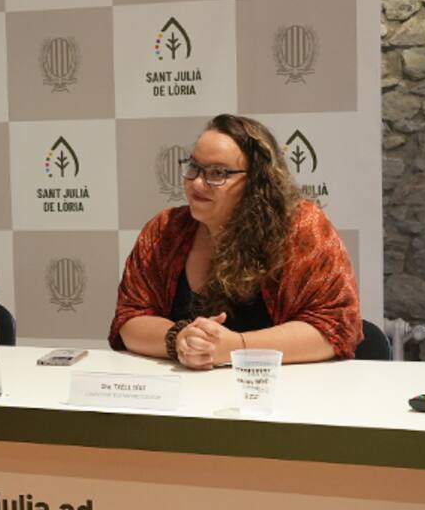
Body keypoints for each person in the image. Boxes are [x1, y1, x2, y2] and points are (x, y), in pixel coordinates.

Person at [109, 114, 361, 369]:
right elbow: (131, 317)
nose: (197, 183)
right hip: (186, 388)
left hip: (274, 388)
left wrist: (236, 347)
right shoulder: (165, 230)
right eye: (194, 167)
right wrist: (179, 339)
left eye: (217, 173)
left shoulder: (300, 228)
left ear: (256, 181)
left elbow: (333, 328)